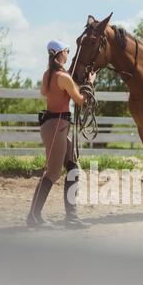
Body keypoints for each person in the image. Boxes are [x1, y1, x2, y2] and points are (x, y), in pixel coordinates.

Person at [27, 39, 96, 228]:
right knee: (53, 172)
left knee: (73, 167)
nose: (68, 53)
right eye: (66, 50)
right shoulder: (63, 77)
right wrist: (90, 83)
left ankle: (71, 218)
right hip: (58, 125)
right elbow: (81, 100)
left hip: (54, 124)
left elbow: (45, 92)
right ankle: (33, 216)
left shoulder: (48, 75)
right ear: (60, 54)